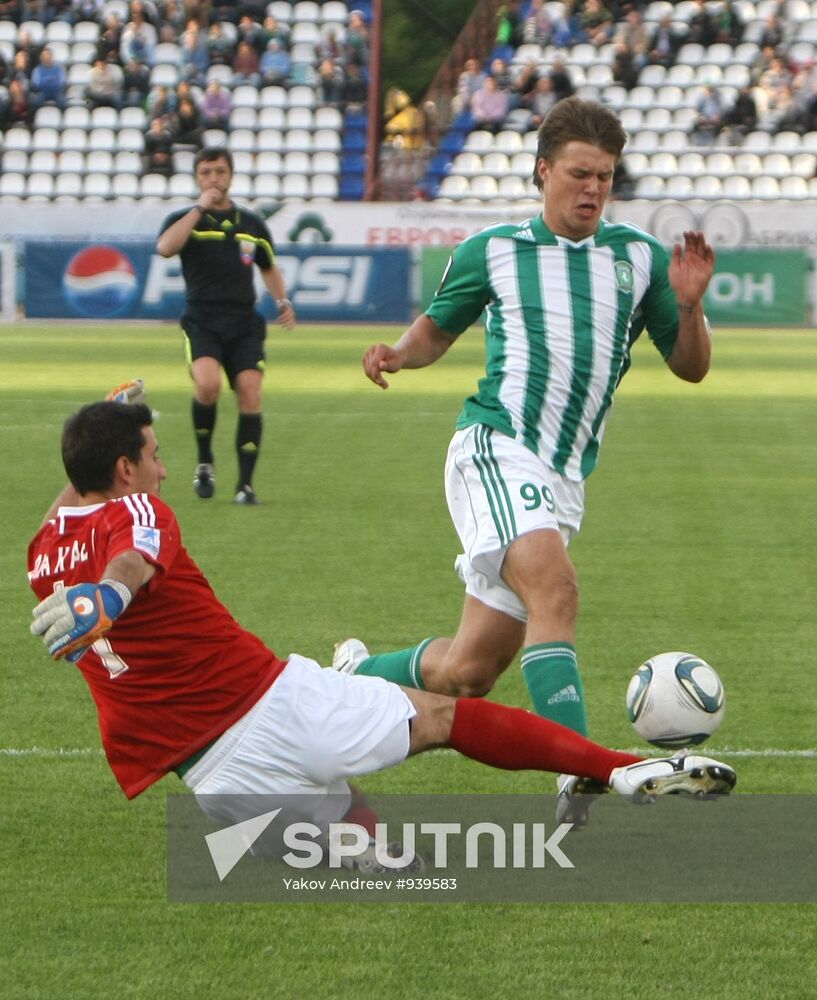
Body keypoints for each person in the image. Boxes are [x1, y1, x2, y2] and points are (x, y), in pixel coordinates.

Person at [27, 395, 736, 855]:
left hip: (215, 784)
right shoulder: (140, 513)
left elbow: (79, 520)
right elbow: (131, 560)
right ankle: (618, 769)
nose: (161, 466)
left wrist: (95, 451)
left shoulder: (43, 549)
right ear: (124, 469)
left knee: (377, 857)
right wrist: (111, 596)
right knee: (444, 718)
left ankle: (357, 728)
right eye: (151, 454)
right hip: (271, 709)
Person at [333, 97, 717, 828]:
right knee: (556, 590)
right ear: (543, 171)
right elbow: (435, 331)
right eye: (578, 174)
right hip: (495, 446)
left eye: (604, 177)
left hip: (562, 479)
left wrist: (690, 306)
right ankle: (577, 769)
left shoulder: (638, 259)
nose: (592, 190)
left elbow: (690, 367)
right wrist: (395, 355)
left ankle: (350, 675)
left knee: (467, 672)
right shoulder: (493, 250)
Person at [156, 146, 295, 505]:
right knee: (207, 385)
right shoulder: (185, 218)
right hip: (202, 318)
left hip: (244, 322)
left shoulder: (251, 224)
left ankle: (245, 487)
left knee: (250, 391)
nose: (213, 179)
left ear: (231, 175)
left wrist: (282, 301)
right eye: (206, 173)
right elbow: (166, 248)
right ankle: (205, 461)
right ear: (197, 178)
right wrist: (199, 206)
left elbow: (268, 266)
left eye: (219, 171)